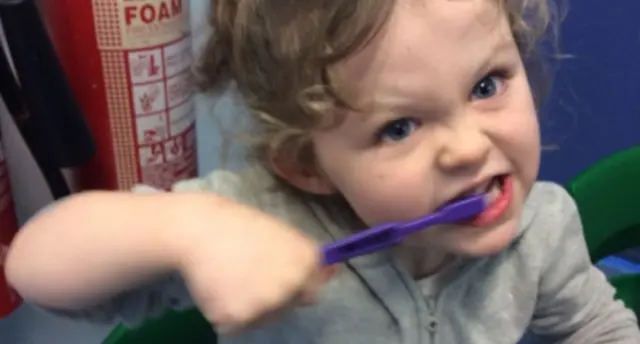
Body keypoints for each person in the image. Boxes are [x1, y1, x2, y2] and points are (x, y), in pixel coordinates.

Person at [5, 0, 640, 343]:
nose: (469, 148)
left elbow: (593, 325)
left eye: (486, 84)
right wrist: (188, 229)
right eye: (399, 127)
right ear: (307, 164)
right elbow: (37, 268)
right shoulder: (253, 227)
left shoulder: (544, 225)